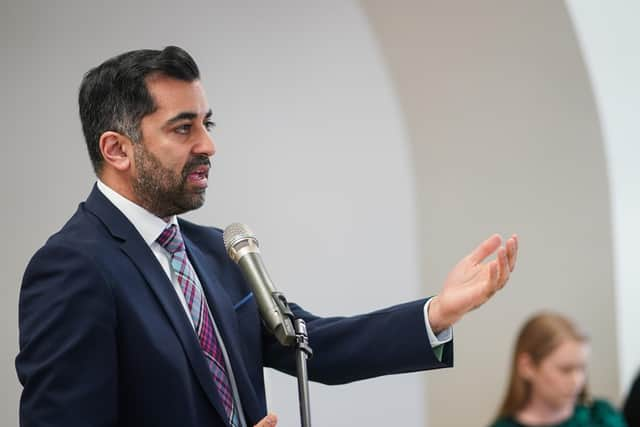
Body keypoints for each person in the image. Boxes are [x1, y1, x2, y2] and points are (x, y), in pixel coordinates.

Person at [15, 46, 518, 427]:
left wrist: (438, 312)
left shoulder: (214, 250)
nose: (209, 145)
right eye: (183, 128)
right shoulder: (72, 268)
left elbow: (306, 341)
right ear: (117, 149)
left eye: (206, 123)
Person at [489, 312, 627, 427]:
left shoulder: (602, 416)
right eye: (565, 370)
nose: (577, 380)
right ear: (527, 367)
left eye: (581, 368)